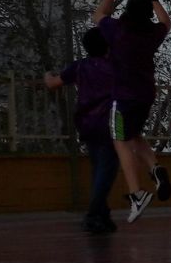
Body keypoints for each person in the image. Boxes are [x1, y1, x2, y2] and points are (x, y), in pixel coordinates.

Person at [93, 0, 171, 222]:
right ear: (147, 12)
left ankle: (137, 193)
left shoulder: (118, 30)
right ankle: (155, 168)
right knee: (133, 134)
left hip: (123, 96)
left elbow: (98, 16)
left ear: (127, 9)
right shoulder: (152, 34)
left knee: (120, 141)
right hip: (145, 95)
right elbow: (166, 22)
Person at [43, 28, 118, 234]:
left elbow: (52, 83)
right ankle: (94, 214)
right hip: (111, 122)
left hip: (86, 122)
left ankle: (102, 214)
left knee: (98, 167)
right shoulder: (115, 67)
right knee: (107, 169)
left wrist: (47, 75)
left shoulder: (80, 67)